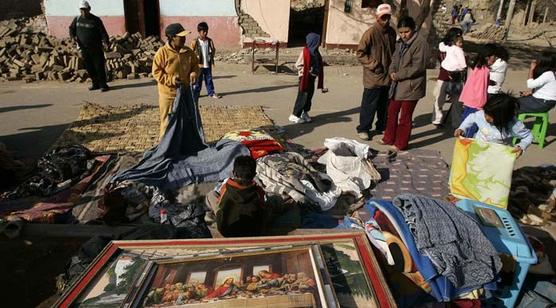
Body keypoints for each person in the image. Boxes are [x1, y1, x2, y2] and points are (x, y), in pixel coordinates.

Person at [379, 17, 428, 151]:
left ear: (413, 29)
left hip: (412, 85)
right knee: (392, 111)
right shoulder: (400, 42)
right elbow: (394, 59)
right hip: (398, 84)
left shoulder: (420, 43)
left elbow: (418, 66)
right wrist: (392, 71)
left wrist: (399, 75)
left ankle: (401, 143)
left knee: (405, 117)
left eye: (406, 32)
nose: (403, 35)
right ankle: (389, 137)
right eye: (401, 32)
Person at [356, 3, 396, 141]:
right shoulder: (371, 33)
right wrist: (373, 65)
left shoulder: (391, 32)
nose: (385, 20)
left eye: (387, 17)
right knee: (369, 105)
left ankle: (381, 125)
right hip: (373, 76)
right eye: (383, 17)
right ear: (377, 17)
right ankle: (364, 128)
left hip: (387, 75)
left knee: (384, 105)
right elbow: (360, 53)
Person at [152, 23, 200, 138]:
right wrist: (171, 80)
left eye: (184, 36)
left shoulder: (188, 52)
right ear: (172, 37)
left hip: (185, 92)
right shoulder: (162, 53)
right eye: (181, 36)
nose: (184, 39)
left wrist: (194, 73)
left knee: (187, 121)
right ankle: (164, 149)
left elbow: (195, 66)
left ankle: (182, 146)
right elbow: (156, 73)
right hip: (169, 95)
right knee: (168, 123)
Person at [205, 155, 266, 237]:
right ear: (254, 174)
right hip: (253, 232)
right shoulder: (258, 191)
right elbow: (262, 207)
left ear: (233, 173)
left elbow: (219, 204)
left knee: (211, 195)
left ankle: (212, 218)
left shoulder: (226, 187)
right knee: (274, 201)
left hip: (226, 231)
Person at [455, 93, 533, 157]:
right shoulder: (482, 115)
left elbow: (528, 136)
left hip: (499, 156)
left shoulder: (513, 125)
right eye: (486, 113)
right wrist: (462, 128)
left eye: (491, 116)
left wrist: (521, 146)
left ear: (503, 118)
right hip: (478, 151)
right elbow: (471, 117)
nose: (486, 118)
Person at [69, 0, 110, 92]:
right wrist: (72, 38)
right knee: (89, 67)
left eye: (85, 10)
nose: (83, 12)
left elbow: (103, 32)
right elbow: (71, 29)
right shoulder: (77, 19)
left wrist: (106, 42)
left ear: (89, 9)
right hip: (84, 48)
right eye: (81, 10)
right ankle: (95, 84)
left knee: (99, 66)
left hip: (96, 48)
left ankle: (103, 84)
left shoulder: (96, 20)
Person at [289, 32, 327, 124]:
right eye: (317, 42)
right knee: (303, 96)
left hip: (312, 78)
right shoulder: (305, 52)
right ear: (312, 42)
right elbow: (298, 64)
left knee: (309, 96)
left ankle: (304, 112)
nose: (318, 44)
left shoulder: (316, 52)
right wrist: (306, 70)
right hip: (305, 78)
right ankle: (295, 115)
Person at [459, 45, 496, 137]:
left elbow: (475, 84)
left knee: (465, 124)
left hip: (469, 100)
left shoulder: (478, 67)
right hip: (476, 104)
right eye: (494, 57)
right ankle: (466, 147)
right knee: (470, 128)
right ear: (488, 57)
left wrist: (489, 82)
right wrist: (482, 105)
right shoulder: (485, 70)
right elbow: (480, 89)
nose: (495, 59)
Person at [432, 28, 466, 127]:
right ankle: (437, 119)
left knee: (457, 101)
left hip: (457, 77)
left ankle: (457, 122)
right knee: (439, 99)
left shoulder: (458, 48)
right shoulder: (443, 47)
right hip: (444, 76)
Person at [191, 22, 222, 100]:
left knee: (209, 79)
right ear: (199, 32)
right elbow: (190, 53)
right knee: (198, 80)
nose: (205, 33)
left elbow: (213, 50)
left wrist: (212, 59)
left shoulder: (209, 41)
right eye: (203, 31)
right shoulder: (195, 42)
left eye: (206, 31)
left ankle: (211, 93)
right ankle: (196, 94)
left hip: (207, 64)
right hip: (199, 65)